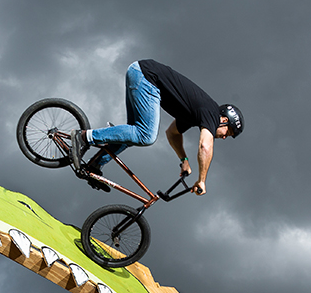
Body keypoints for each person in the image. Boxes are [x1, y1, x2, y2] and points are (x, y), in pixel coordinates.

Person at [71, 59, 243, 195]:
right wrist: (202, 180)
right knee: (146, 135)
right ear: (224, 120)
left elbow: (172, 133)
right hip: (147, 77)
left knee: (132, 134)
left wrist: (184, 160)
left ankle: (95, 165)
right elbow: (205, 146)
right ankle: (84, 137)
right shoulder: (211, 114)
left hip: (140, 72)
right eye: (229, 132)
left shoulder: (195, 116)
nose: (225, 137)